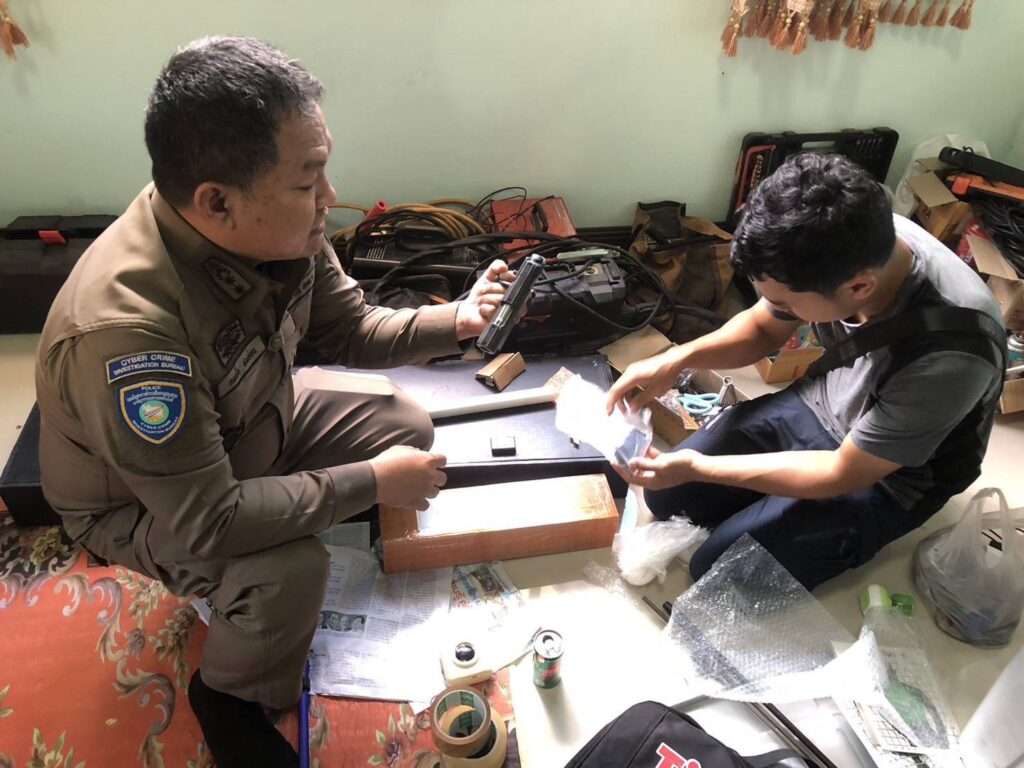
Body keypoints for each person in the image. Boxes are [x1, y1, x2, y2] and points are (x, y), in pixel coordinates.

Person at [34, 37, 510, 767]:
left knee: (402, 425)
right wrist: (368, 484)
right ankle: (228, 695)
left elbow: (349, 328)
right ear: (217, 201)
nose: (329, 197)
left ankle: (288, 528)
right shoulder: (128, 336)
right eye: (308, 180)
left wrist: (460, 320)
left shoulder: (273, 227)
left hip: (249, 419)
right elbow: (210, 517)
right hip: (142, 502)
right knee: (290, 572)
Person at [608, 153, 1006, 590]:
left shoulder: (952, 353)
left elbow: (841, 472)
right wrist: (677, 359)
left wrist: (700, 467)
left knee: (719, 573)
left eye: (787, 303)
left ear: (859, 287)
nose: (779, 309)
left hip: (888, 475)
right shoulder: (843, 241)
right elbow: (763, 328)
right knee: (665, 494)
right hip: (820, 403)